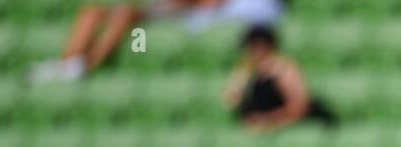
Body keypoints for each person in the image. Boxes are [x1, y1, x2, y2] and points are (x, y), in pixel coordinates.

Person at [30, 0, 286, 83]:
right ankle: (69, 62)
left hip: (189, 13)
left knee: (123, 15)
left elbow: (208, 5)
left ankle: (84, 66)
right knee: (93, 10)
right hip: (179, 8)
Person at [224, 26, 333, 132]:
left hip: (294, 125)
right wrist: (240, 82)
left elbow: (299, 108)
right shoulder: (246, 71)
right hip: (263, 126)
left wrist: (268, 120)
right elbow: (231, 102)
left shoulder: (285, 70)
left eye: (255, 47)